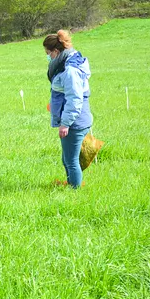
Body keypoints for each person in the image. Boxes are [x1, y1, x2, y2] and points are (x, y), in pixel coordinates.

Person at [44, 30, 93, 188]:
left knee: (71, 161)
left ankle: (74, 191)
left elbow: (74, 99)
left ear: (56, 51)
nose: (48, 57)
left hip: (75, 122)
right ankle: (70, 183)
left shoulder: (70, 70)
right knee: (67, 159)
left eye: (48, 53)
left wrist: (65, 123)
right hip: (75, 120)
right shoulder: (67, 61)